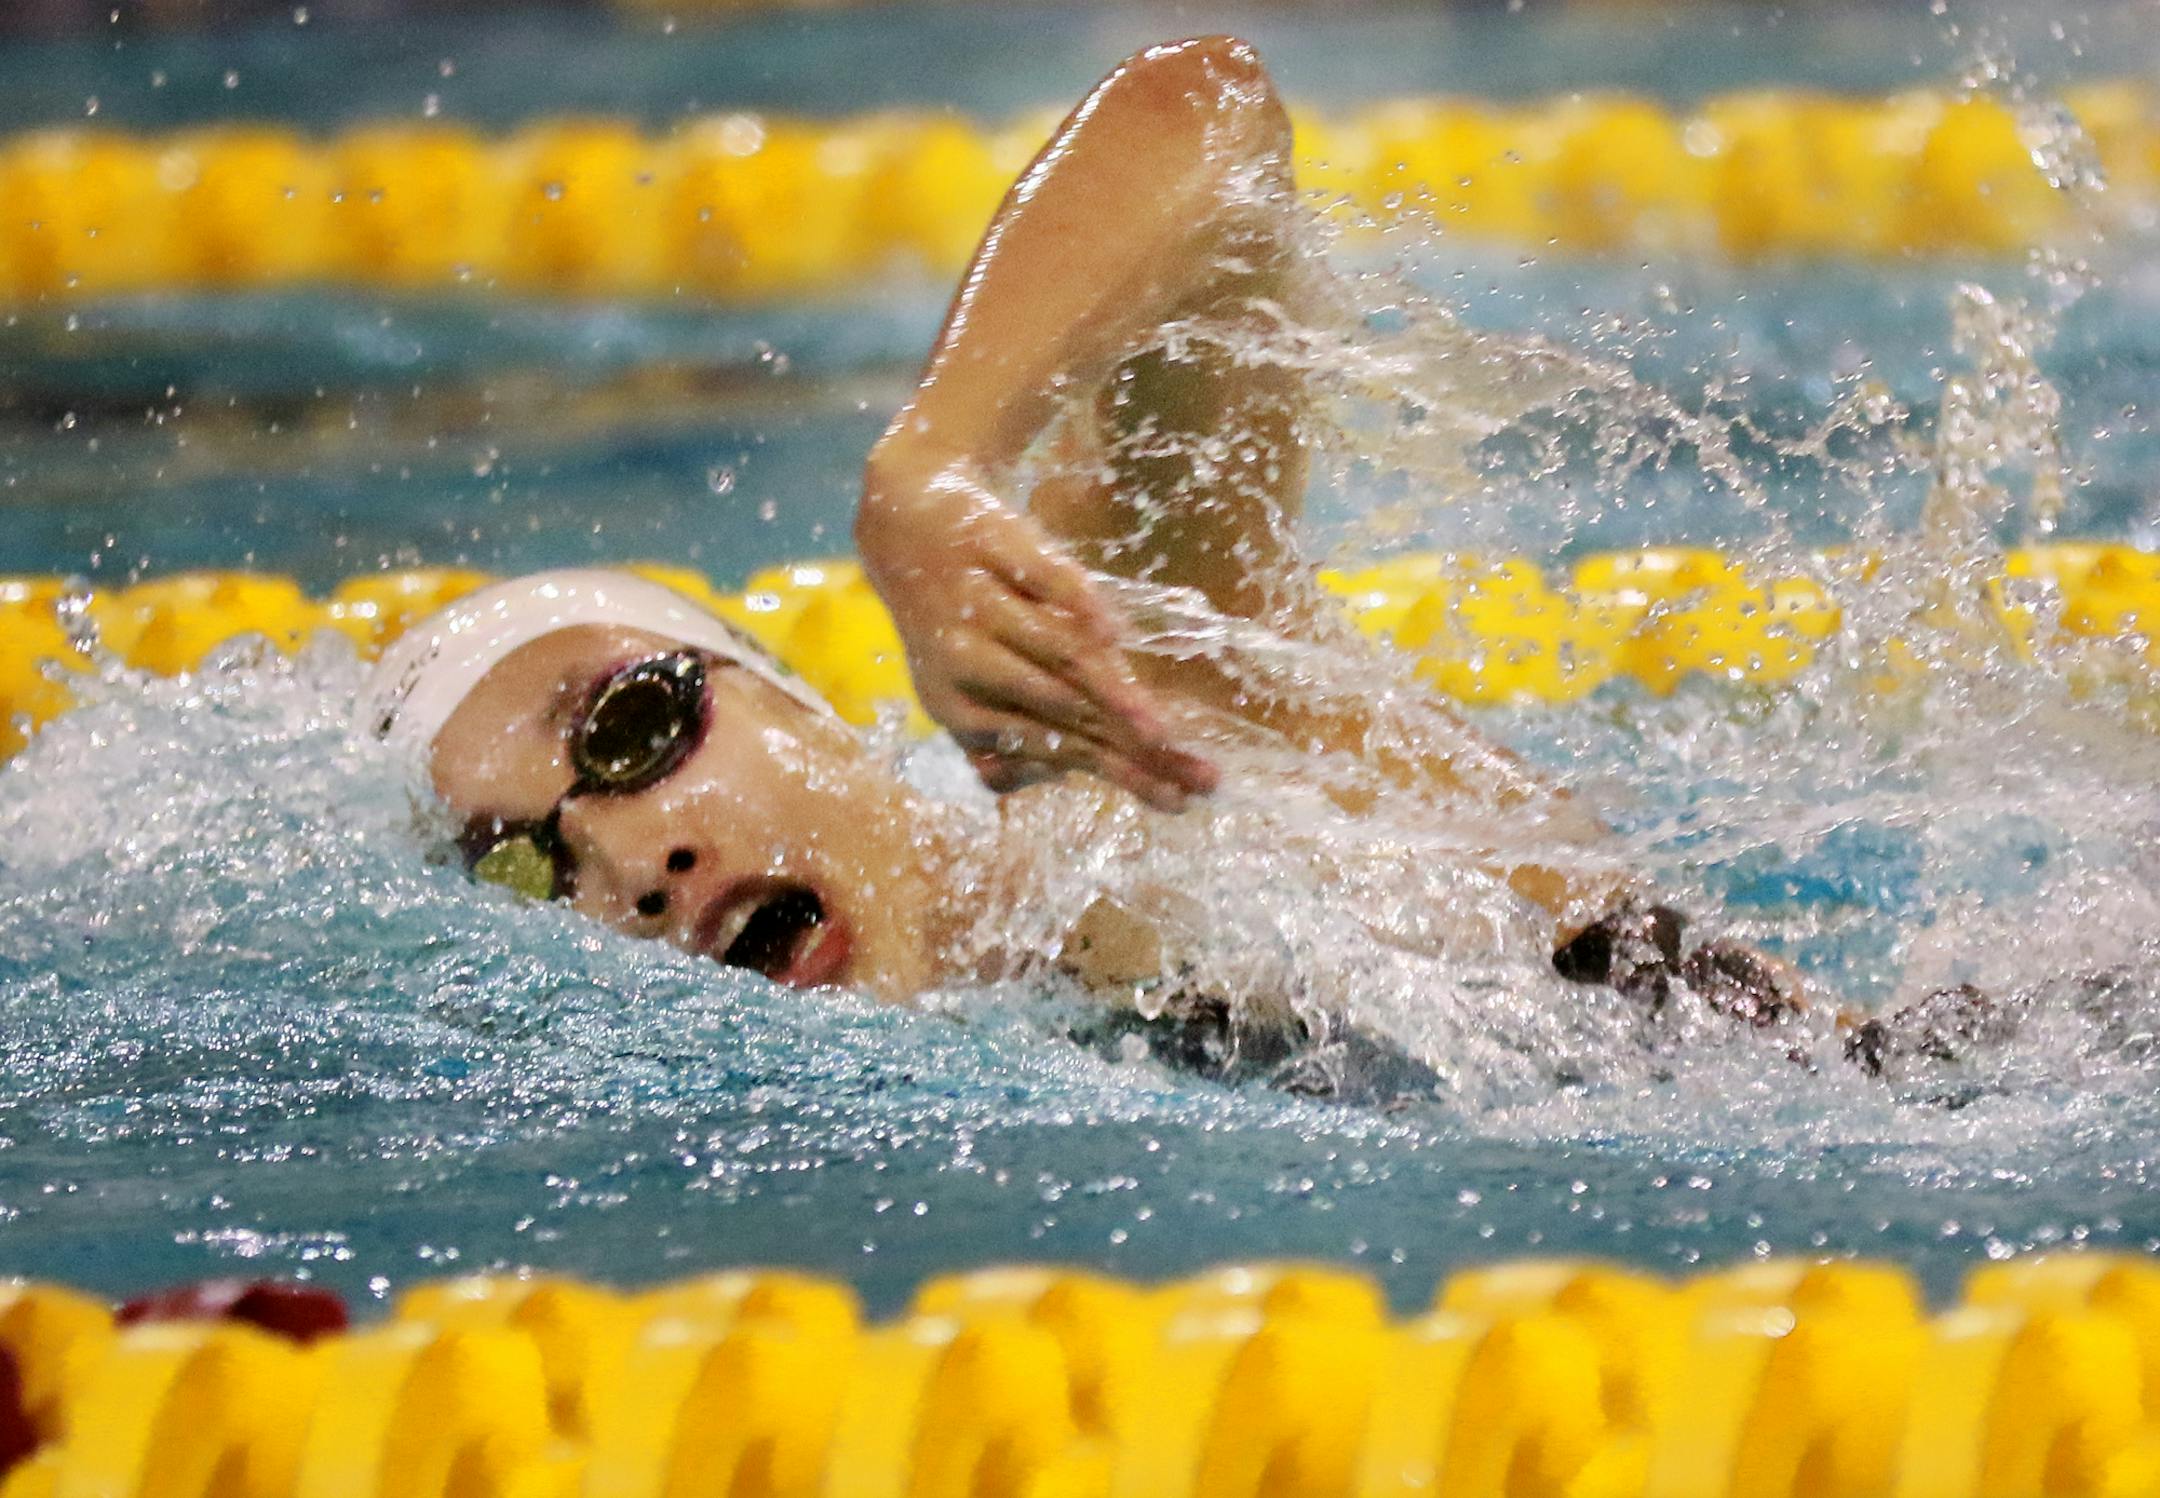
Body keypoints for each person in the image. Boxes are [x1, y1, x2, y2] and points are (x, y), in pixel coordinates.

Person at [367, 37, 1918, 1096]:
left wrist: (939, 461)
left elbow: (1209, 110)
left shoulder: (1144, 701)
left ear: (795, 703)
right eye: (530, 862)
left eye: (630, 730)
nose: (632, 867)